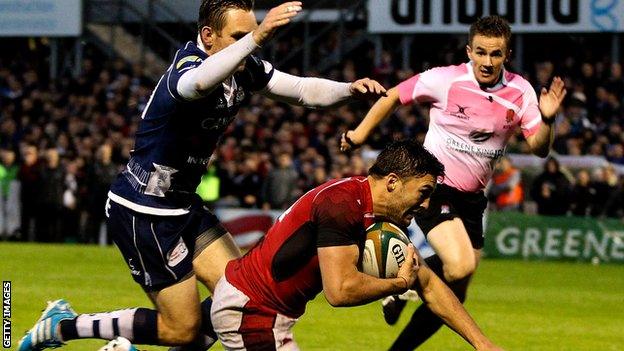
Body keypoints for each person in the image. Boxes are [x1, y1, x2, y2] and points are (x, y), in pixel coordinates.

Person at [18, 1, 387, 350]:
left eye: (251, 34)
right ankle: (62, 325)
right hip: (145, 211)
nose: (248, 46)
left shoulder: (245, 70)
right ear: (208, 36)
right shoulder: (188, 68)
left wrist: (349, 91)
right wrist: (257, 40)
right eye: (238, 38)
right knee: (182, 328)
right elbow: (195, 85)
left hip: (183, 204)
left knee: (241, 295)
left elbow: (303, 89)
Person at [340, 15, 566, 350]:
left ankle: (401, 310)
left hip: (473, 198)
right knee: (459, 266)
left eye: (495, 54)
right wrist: (358, 135)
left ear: (507, 55)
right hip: (433, 186)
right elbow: (392, 96)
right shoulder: (445, 80)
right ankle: (404, 277)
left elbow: (539, 148)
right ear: (469, 51)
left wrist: (547, 118)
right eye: (481, 52)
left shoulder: (520, 92)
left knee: (454, 295)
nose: (487, 61)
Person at [210, 140, 502, 350]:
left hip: (258, 306)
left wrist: (482, 343)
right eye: (423, 192)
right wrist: (398, 285)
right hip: (255, 314)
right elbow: (340, 291)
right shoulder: (344, 205)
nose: (426, 204)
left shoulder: (373, 213)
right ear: (392, 182)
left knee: (180, 331)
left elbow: (428, 283)